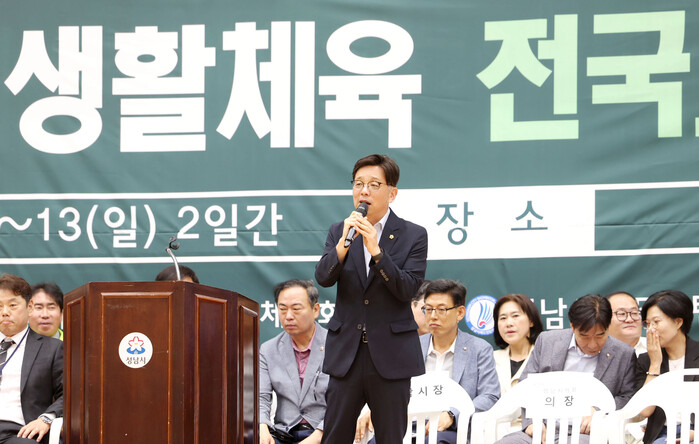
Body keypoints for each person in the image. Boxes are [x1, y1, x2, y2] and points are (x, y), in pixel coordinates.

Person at [315, 154, 428, 444]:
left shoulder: (413, 235)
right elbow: (323, 277)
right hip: (347, 355)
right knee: (334, 437)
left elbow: (407, 289)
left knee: (390, 437)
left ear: (392, 193)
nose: (364, 191)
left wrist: (376, 251)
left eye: (374, 184)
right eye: (358, 184)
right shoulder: (339, 230)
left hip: (391, 355)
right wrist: (343, 244)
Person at [356, 279, 500, 444]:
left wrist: (453, 415)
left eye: (441, 310)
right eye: (428, 309)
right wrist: (377, 409)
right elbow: (393, 390)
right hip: (409, 425)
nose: (433, 316)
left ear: (460, 313)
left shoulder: (479, 349)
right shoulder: (411, 346)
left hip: (451, 431)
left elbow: (490, 396)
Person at [495, 294, 637, 444]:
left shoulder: (624, 354)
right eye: (584, 336)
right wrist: (531, 423)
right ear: (572, 326)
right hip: (543, 429)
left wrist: (600, 411)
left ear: (608, 326)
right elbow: (526, 386)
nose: (592, 344)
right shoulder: (547, 341)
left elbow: (627, 397)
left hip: (587, 434)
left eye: (600, 335)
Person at [259, 279, 329, 444]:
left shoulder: (335, 346)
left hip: (325, 434)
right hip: (283, 434)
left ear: (315, 310)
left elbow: (343, 400)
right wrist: (262, 427)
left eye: (296, 309)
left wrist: (318, 436)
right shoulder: (268, 350)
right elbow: (262, 397)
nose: (288, 316)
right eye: (283, 309)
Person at [0, 274, 63, 444]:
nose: (5, 312)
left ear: (29, 307)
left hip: (19, 433)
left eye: (12, 305)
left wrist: (46, 419)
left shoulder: (52, 349)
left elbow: (68, 395)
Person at [634, 290, 698, 444]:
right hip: (662, 435)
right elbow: (645, 410)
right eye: (648, 324)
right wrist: (655, 364)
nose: (651, 329)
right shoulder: (645, 360)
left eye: (656, 322)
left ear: (678, 322)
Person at [493, 293, 544, 430]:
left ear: (531, 321)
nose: (509, 323)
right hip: (492, 432)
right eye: (503, 318)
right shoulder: (489, 359)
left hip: (532, 432)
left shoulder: (545, 358)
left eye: (515, 316)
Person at [606, 292, 646, 356]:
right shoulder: (594, 351)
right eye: (621, 314)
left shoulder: (657, 348)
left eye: (634, 313)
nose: (629, 320)